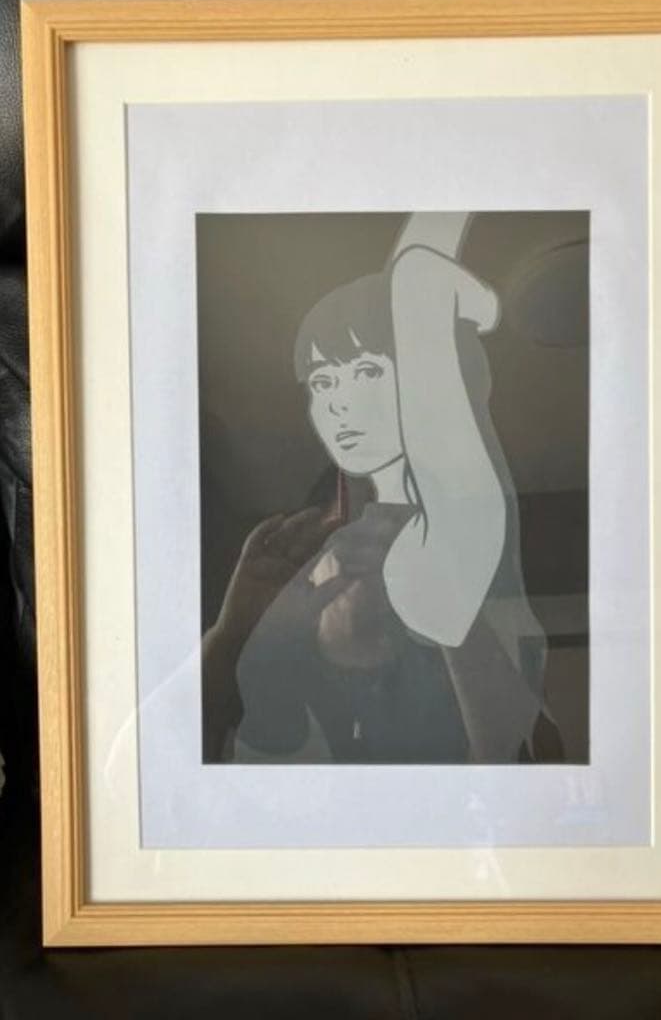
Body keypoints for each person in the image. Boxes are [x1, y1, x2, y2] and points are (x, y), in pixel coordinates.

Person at [201, 217, 564, 764]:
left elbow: (540, 770)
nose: (340, 403)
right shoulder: (275, 675)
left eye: (368, 374)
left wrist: (450, 606)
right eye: (323, 382)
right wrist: (236, 632)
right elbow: (142, 770)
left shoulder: (467, 636)